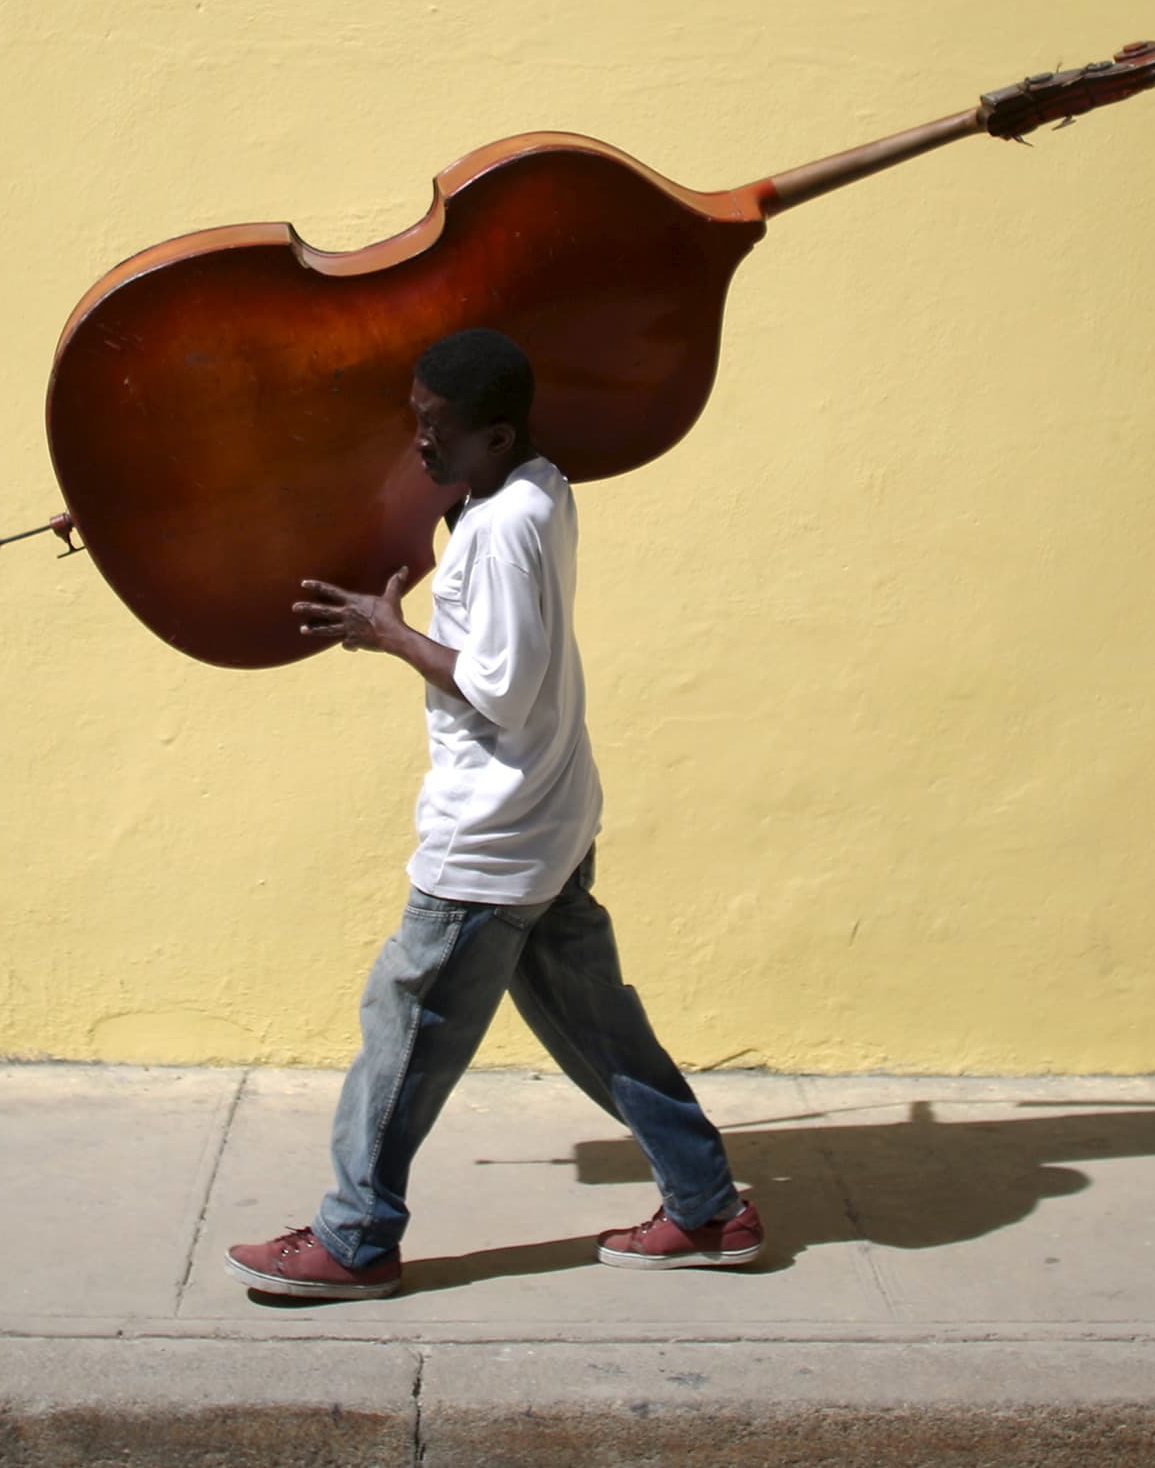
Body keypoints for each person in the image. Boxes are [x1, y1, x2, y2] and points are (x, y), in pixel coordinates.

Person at [224, 326, 759, 1302]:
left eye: (437, 429)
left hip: (490, 838)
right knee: (600, 1029)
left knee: (402, 1023)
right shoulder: (539, 483)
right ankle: (707, 1205)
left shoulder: (501, 529)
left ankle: (353, 1238)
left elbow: (499, 690)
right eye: (415, 419)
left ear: (498, 434)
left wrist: (389, 633)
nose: (418, 442)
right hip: (550, 817)